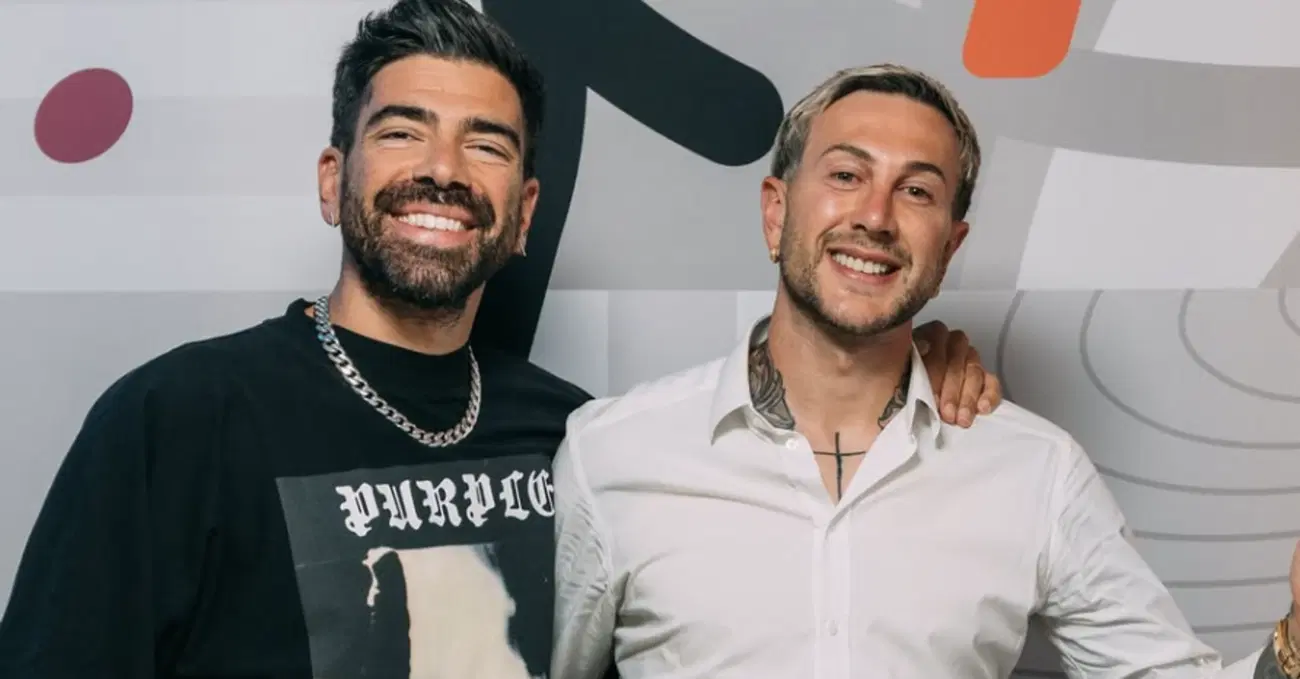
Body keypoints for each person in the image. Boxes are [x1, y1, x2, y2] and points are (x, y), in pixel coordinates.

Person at [0, 3, 1001, 677]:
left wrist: (908, 364)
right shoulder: (178, 419)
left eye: (485, 144)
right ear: (332, 181)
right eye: (402, 132)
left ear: (523, 213)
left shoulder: (585, 440)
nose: (443, 169)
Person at [550, 63, 1300, 679]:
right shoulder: (612, 452)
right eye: (846, 174)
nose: (876, 216)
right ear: (776, 213)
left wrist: (1293, 643)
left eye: (917, 190)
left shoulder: (1035, 471)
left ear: (949, 246)